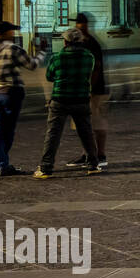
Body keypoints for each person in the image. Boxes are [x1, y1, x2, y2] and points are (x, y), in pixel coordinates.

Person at [34, 28, 102, 178]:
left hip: (60, 99)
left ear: (65, 41)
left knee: (53, 134)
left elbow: (50, 76)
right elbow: (88, 74)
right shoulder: (88, 57)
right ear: (80, 41)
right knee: (86, 133)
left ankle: (46, 168)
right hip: (81, 99)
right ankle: (92, 165)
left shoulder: (57, 57)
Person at [0, 21, 42, 176]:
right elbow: (31, 65)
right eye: (11, 31)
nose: (13, 34)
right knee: (9, 129)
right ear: (5, 33)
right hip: (11, 92)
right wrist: (41, 53)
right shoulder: (13, 49)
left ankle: (0, 163)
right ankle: (2, 163)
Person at [65, 13, 108, 169]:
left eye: (77, 24)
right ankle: (90, 154)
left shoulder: (88, 43)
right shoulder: (89, 42)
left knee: (91, 122)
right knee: (88, 123)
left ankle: (97, 155)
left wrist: (88, 88)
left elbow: (95, 68)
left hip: (92, 90)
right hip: (92, 88)